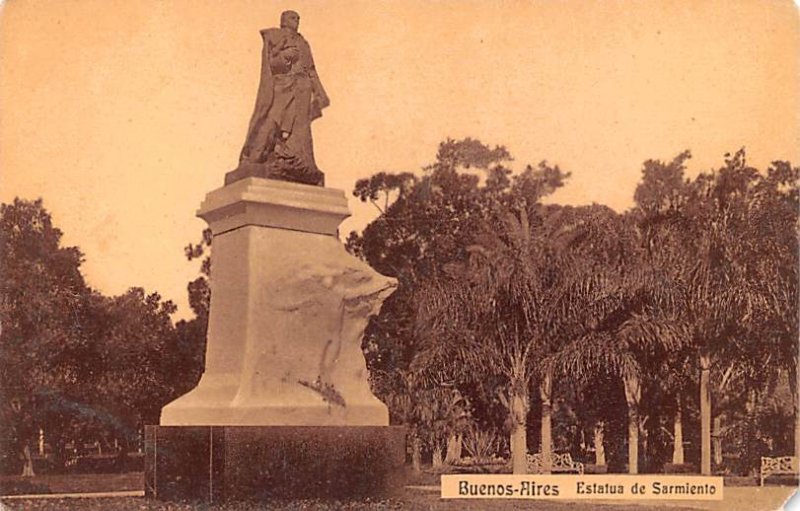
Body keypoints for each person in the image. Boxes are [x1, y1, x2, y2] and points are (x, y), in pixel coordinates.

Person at [239, 11, 329, 186]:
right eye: (292, 18)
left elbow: (311, 70)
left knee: (300, 128)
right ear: (283, 20)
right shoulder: (275, 36)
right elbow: (271, 63)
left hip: (303, 88)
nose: (296, 21)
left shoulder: (303, 43)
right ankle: (255, 156)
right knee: (273, 119)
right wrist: (285, 57)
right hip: (283, 85)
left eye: (298, 18)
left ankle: (298, 162)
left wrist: (320, 92)